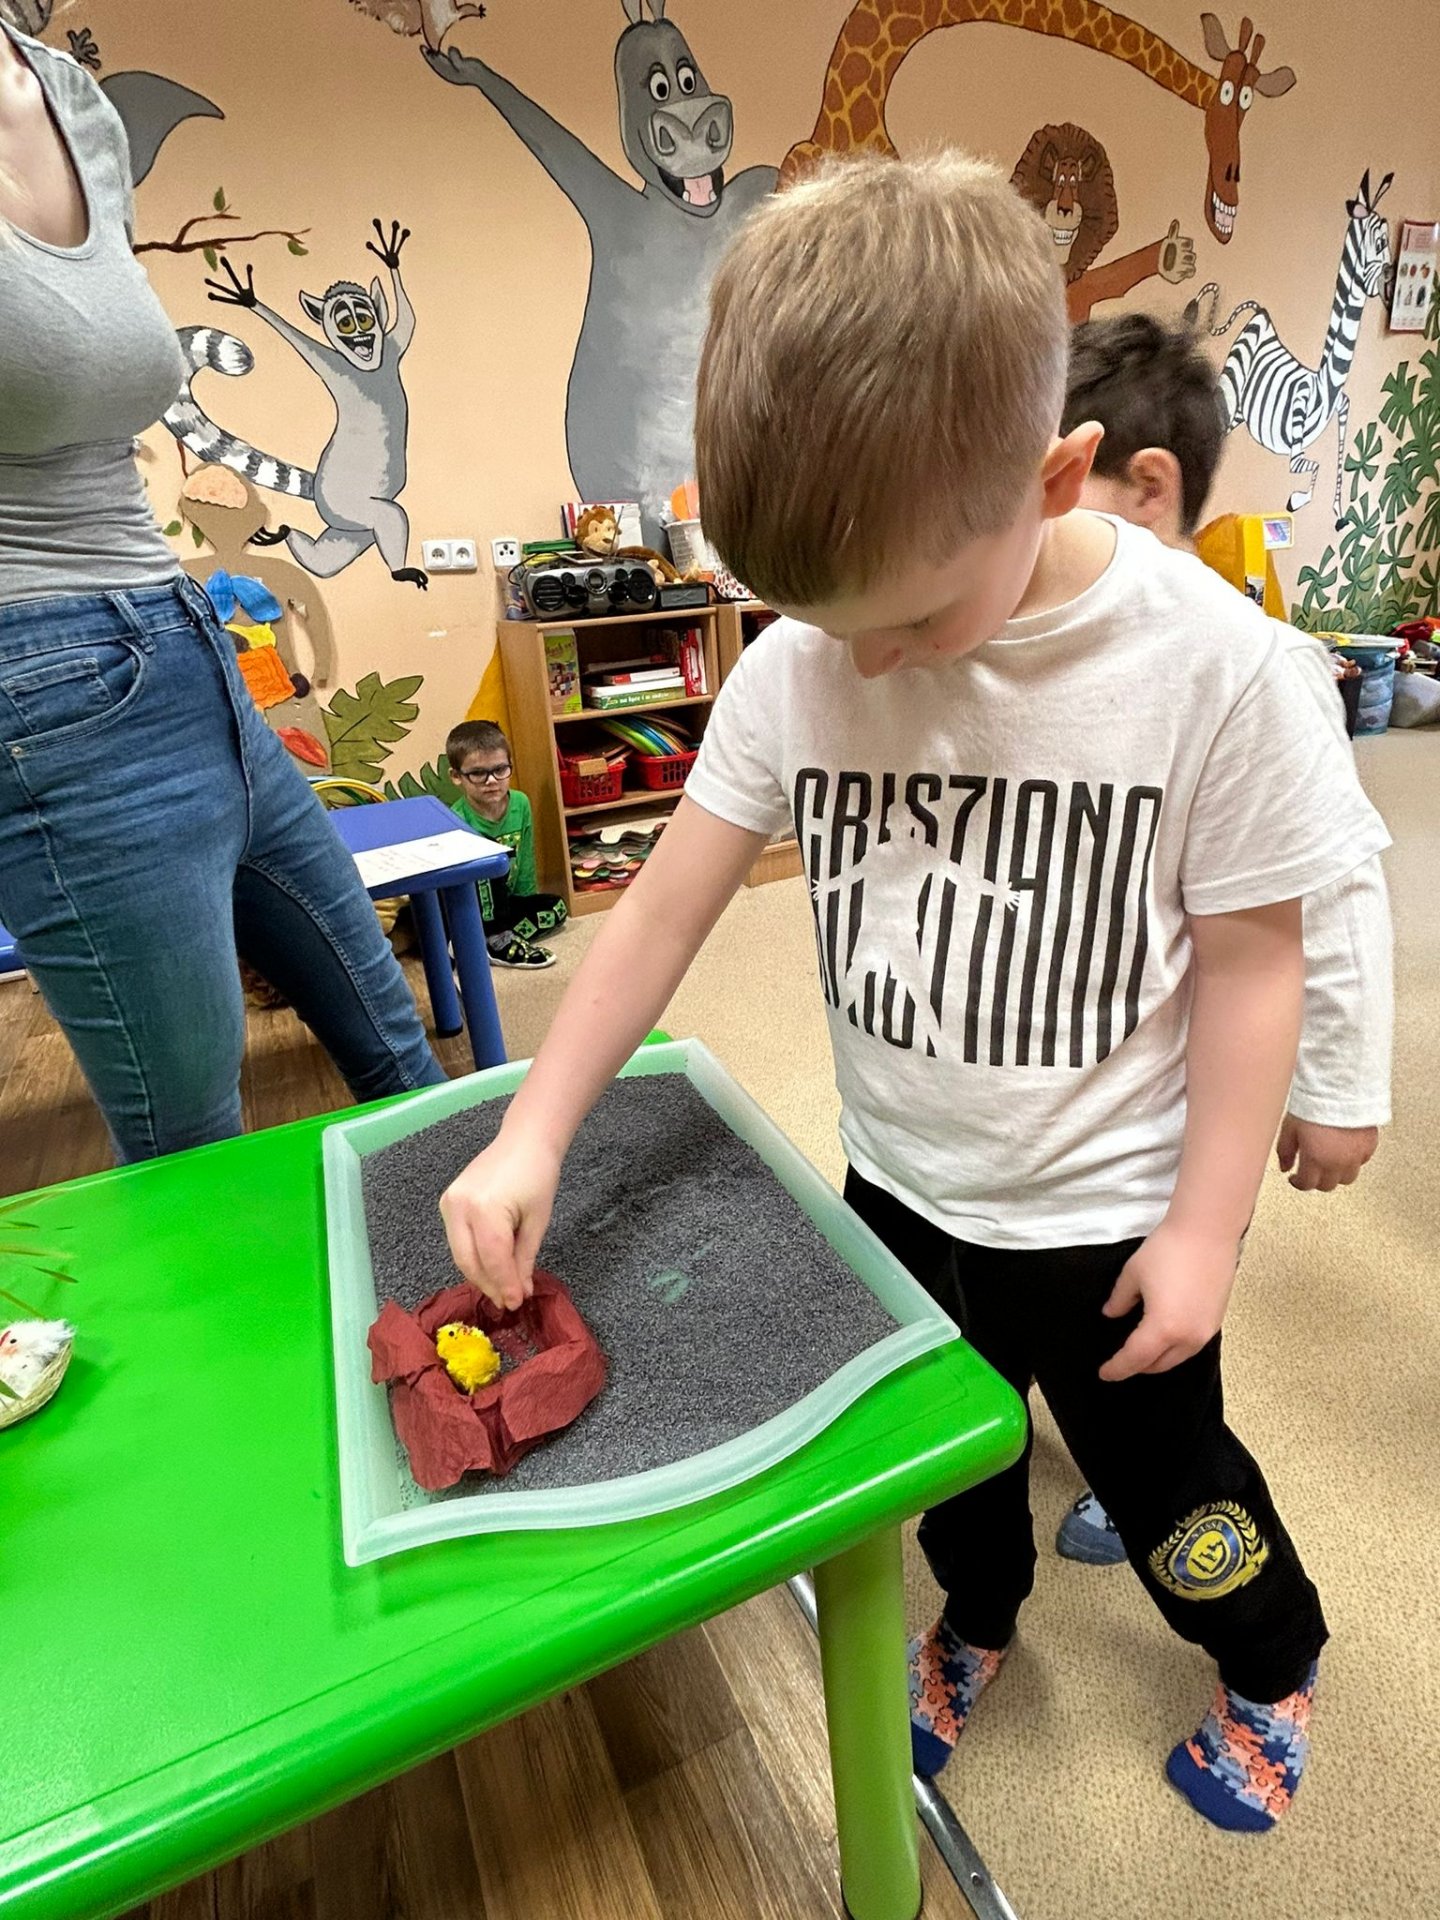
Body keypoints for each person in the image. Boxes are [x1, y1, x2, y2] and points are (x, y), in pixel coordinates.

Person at [435, 153, 1392, 1831]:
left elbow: (1258, 967)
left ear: (1060, 476)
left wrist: (1207, 1230)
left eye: (913, 621)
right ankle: (983, 1618)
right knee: (947, 1459)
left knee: (1172, 1490)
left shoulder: (1220, 672)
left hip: (1111, 1213)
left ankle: (1270, 1658)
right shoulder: (814, 654)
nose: (863, 667)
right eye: (824, 628)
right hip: (903, 1182)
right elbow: (661, 912)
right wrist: (533, 1134)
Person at [0, 20, 445, 1162]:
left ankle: (485, 1275)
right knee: (197, 1150)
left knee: (400, 1054)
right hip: (43, 681)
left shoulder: (69, 97)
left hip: (187, 648)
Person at [1051, 312, 1394, 1567]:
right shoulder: (1063, 645)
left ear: (1148, 487)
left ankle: (1133, 1466)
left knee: (1162, 1289)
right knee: (1077, 1281)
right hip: (1093, 1056)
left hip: (1201, 1089)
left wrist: (1339, 1092)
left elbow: (1337, 901)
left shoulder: (1259, 667)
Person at [447, 719, 567, 970]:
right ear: (457, 776)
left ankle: (487, 940)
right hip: (474, 909)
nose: (492, 780)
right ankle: (494, 938)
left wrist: (527, 900)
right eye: (478, 773)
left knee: (557, 908)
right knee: (488, 853)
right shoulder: (456, 818)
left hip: (507, 904)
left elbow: (526, 858)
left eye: (500, 769)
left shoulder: (520, 803)